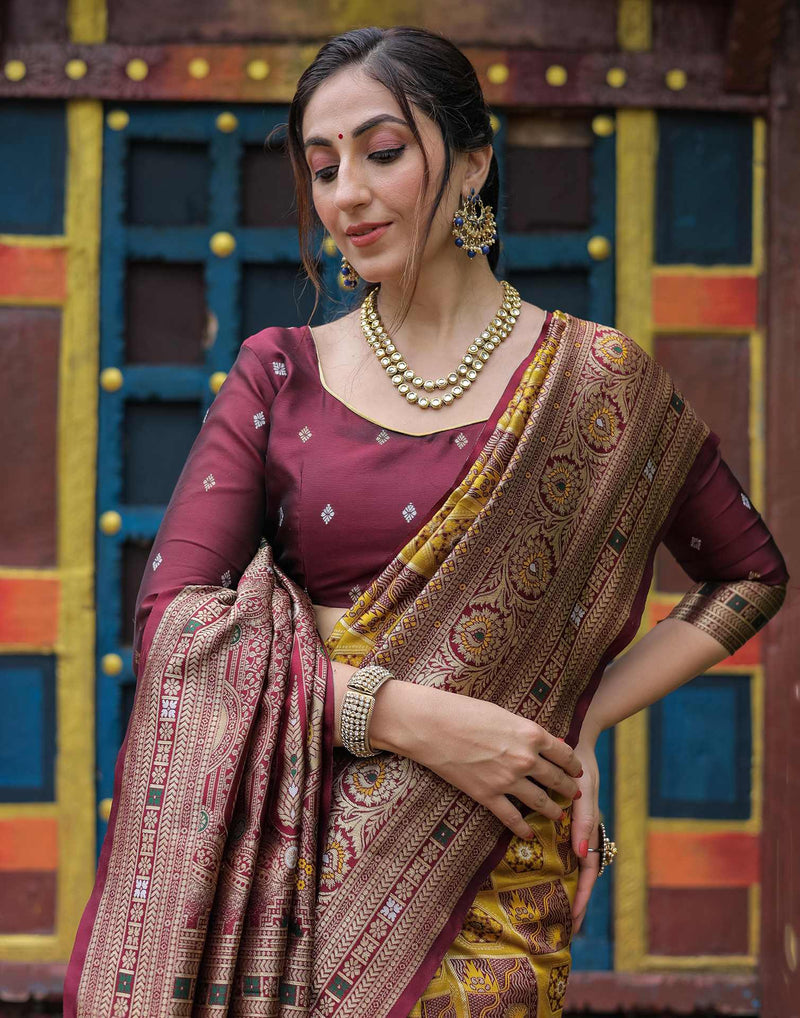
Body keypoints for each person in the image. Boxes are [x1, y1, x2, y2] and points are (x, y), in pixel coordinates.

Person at [64, 25, 788, 1018]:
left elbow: (747, 572)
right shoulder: (281, 372)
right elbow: (174, 626)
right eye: (321, 169)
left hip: (494, 879)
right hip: (297, 880)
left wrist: (562, 725)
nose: (345, 193)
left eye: (382, 151)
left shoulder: (592, 382)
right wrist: (406, 714)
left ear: (474, 160)